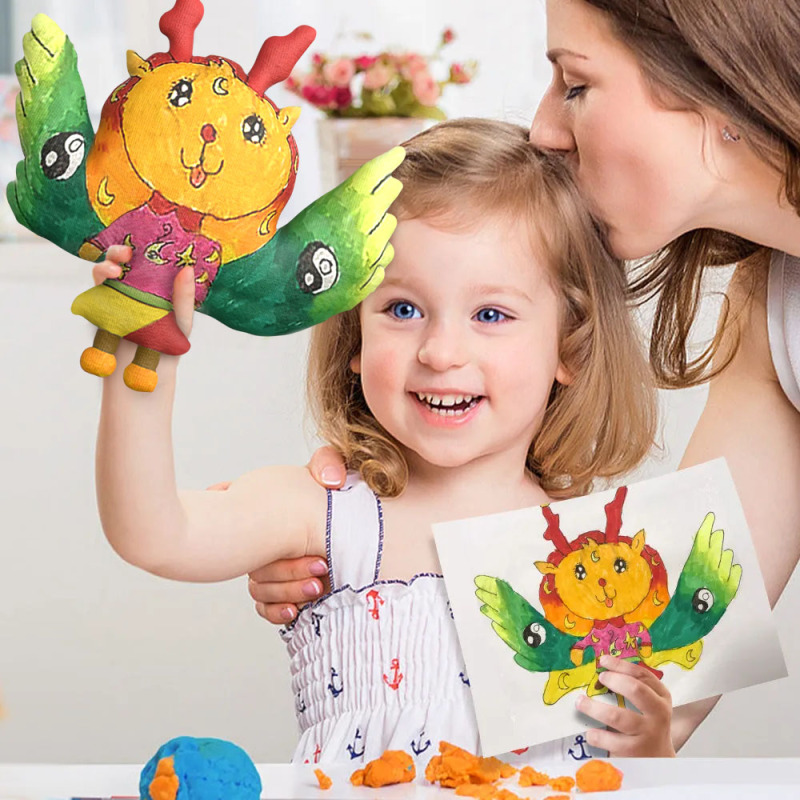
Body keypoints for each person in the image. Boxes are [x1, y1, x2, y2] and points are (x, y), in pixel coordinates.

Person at [252, 0, 800, 753]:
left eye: (575, 85)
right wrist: (373, 550)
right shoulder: (769, 306)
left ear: (717, 78)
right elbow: (665, 673)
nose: (544, 129)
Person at [92, 119, 673, 761]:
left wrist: (649, 745)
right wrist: (142, 357)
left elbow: (616, 765)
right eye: (402, 309)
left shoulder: (606, 562)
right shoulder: (322, 510)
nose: (441, 352)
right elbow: (153, 534)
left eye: (490, 314)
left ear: (569, 344)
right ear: (355, 337)